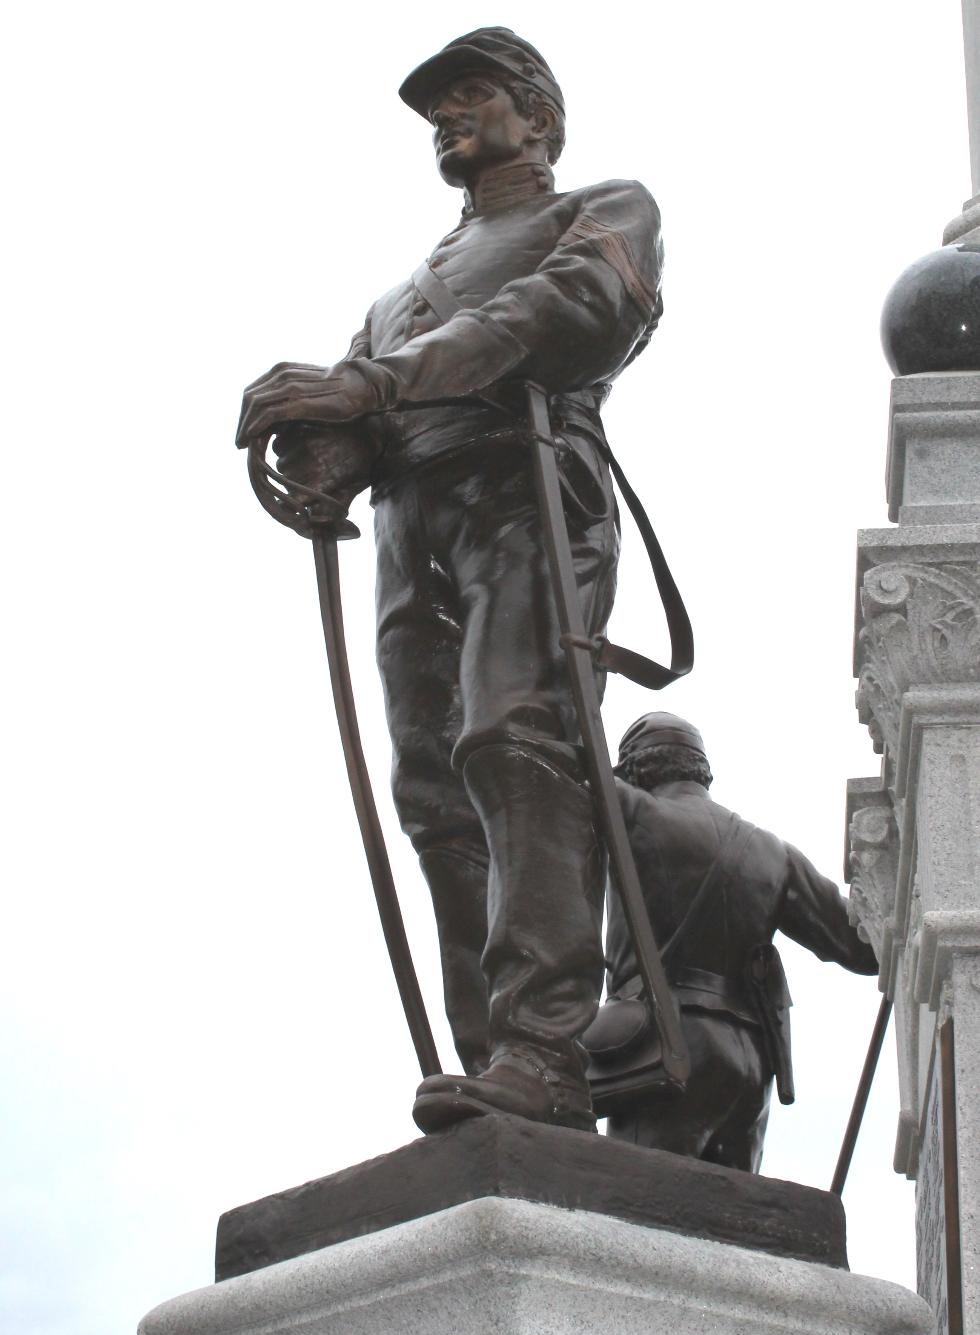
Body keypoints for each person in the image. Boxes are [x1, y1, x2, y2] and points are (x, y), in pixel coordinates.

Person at [234, 28, 666, 1133]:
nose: (449, 118)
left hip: (524, 492)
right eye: (440, 108)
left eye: (473, 97)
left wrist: (370, 387)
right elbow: (360, 415)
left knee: (513, 742)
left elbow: (567, 315)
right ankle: (493, 1065)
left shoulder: (603, 210)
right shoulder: (391, 298)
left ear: (539, 119)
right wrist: (311, 448)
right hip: (408, 523)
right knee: (432, 787)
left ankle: (544, 1048)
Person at [585, 712, 878, 1172]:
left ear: (636, 769)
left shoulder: (629, 810)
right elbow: (865, 948)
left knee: (642, 1211)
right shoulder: (774, 853)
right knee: (736, 1221)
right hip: (751, 1064)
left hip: (666, 1048)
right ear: (701, 770)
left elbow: (554, 771)